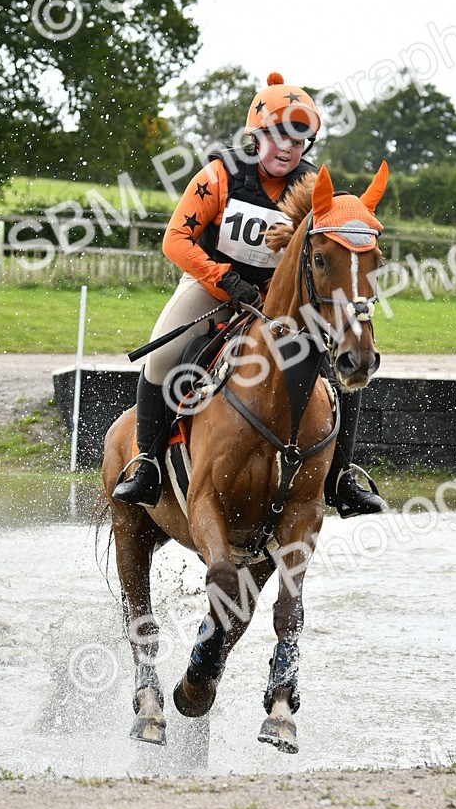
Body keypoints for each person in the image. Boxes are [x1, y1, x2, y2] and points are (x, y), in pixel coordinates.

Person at [112, 71, 387, 519]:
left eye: (297, 142)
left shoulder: (312, 188)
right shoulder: (220, 176)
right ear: (256, 134)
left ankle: (340, 478)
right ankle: (146, 462)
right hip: (211, 287)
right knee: (161, 360)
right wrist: (225, 280)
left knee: (342, 368)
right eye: (277, 136)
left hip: (277, 301)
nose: (286, 149)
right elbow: (175, 241)